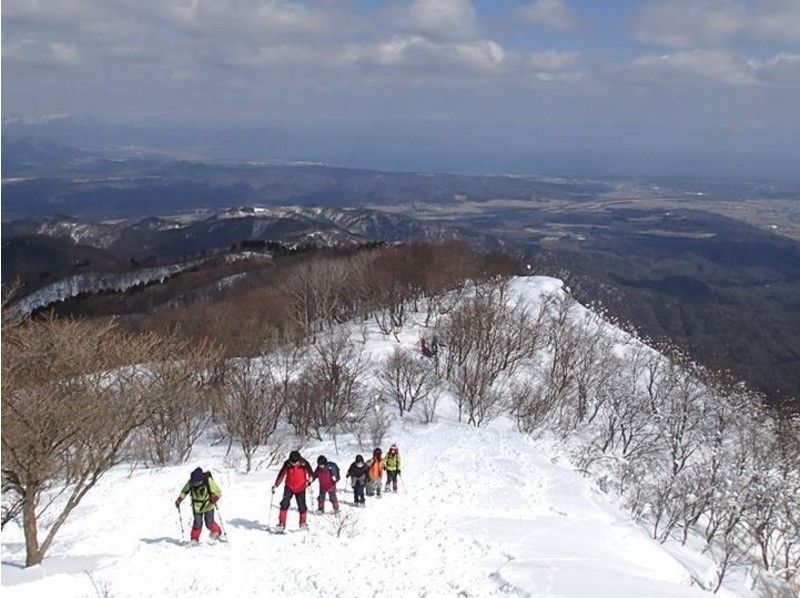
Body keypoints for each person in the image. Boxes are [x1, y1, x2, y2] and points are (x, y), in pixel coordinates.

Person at [175, 467, 223, 542]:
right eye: (194, 483)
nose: (195, 484)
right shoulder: (190, 482)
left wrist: (215, 498)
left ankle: (217, 532)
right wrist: (179, 499)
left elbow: (218, 492)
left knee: (209, 523)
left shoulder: (208, 481)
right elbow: (184, 491)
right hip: (197, 507)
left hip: (208, 505)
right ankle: (194, 539)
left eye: (197, 483)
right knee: (197, 523)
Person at [272, 450, 313, 531]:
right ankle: (281, 524)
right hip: (289, 487)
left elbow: (311, 473)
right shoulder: (287, 464)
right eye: (292, 462)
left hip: (301, 487)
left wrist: (310, 480)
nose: (294, 464)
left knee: (302, 506)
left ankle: (303, 523)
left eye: (296, 462)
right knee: (284, 504)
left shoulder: (304, 463)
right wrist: (276, 485)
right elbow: (281, 475)